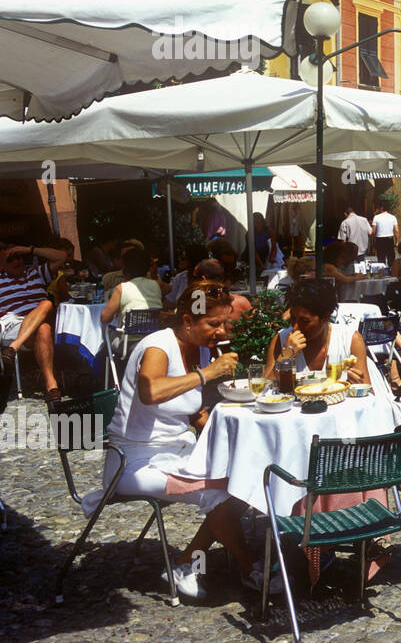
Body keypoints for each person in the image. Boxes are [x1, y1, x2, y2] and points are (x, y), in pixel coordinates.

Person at [102, 279, 279, 599]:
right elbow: (151, 391)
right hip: (134, 463)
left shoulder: (194, 348)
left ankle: (186, 562)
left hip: (176, 452)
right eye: (214, 324)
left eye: (225, 324)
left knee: (244, 476)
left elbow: (194, 414)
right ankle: (252, 569)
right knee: (223, 491)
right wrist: (207, 374)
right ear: (187, 320)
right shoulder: (158, 346)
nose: (222, 332)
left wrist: (235, 436)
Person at [0, 240, 71, 401]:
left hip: (28, 331)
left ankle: (11, 350)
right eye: (10, 259)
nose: (17, 261)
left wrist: (29, 249)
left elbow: (62, 257)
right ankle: (51, 385)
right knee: (44, 322)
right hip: (15, 324)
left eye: (18, 257)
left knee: (45, 308)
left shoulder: (35, 273)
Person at [100, 246, 164, 328]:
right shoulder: (156, 285)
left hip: (128, 339)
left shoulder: (121, 288)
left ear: (125, 268)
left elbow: (104, 318)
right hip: (152, 336)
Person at [371, 203, 398, 267]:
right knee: (391, 258)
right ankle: (391, 272)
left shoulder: (376, 217)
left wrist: (373, 240)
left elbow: (373, 231)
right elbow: (396, 230)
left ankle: (382, 273)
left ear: (382, 208)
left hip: (380, 239)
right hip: (390, 239)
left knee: (381, 259)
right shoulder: (393, 217)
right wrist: (397, 241)